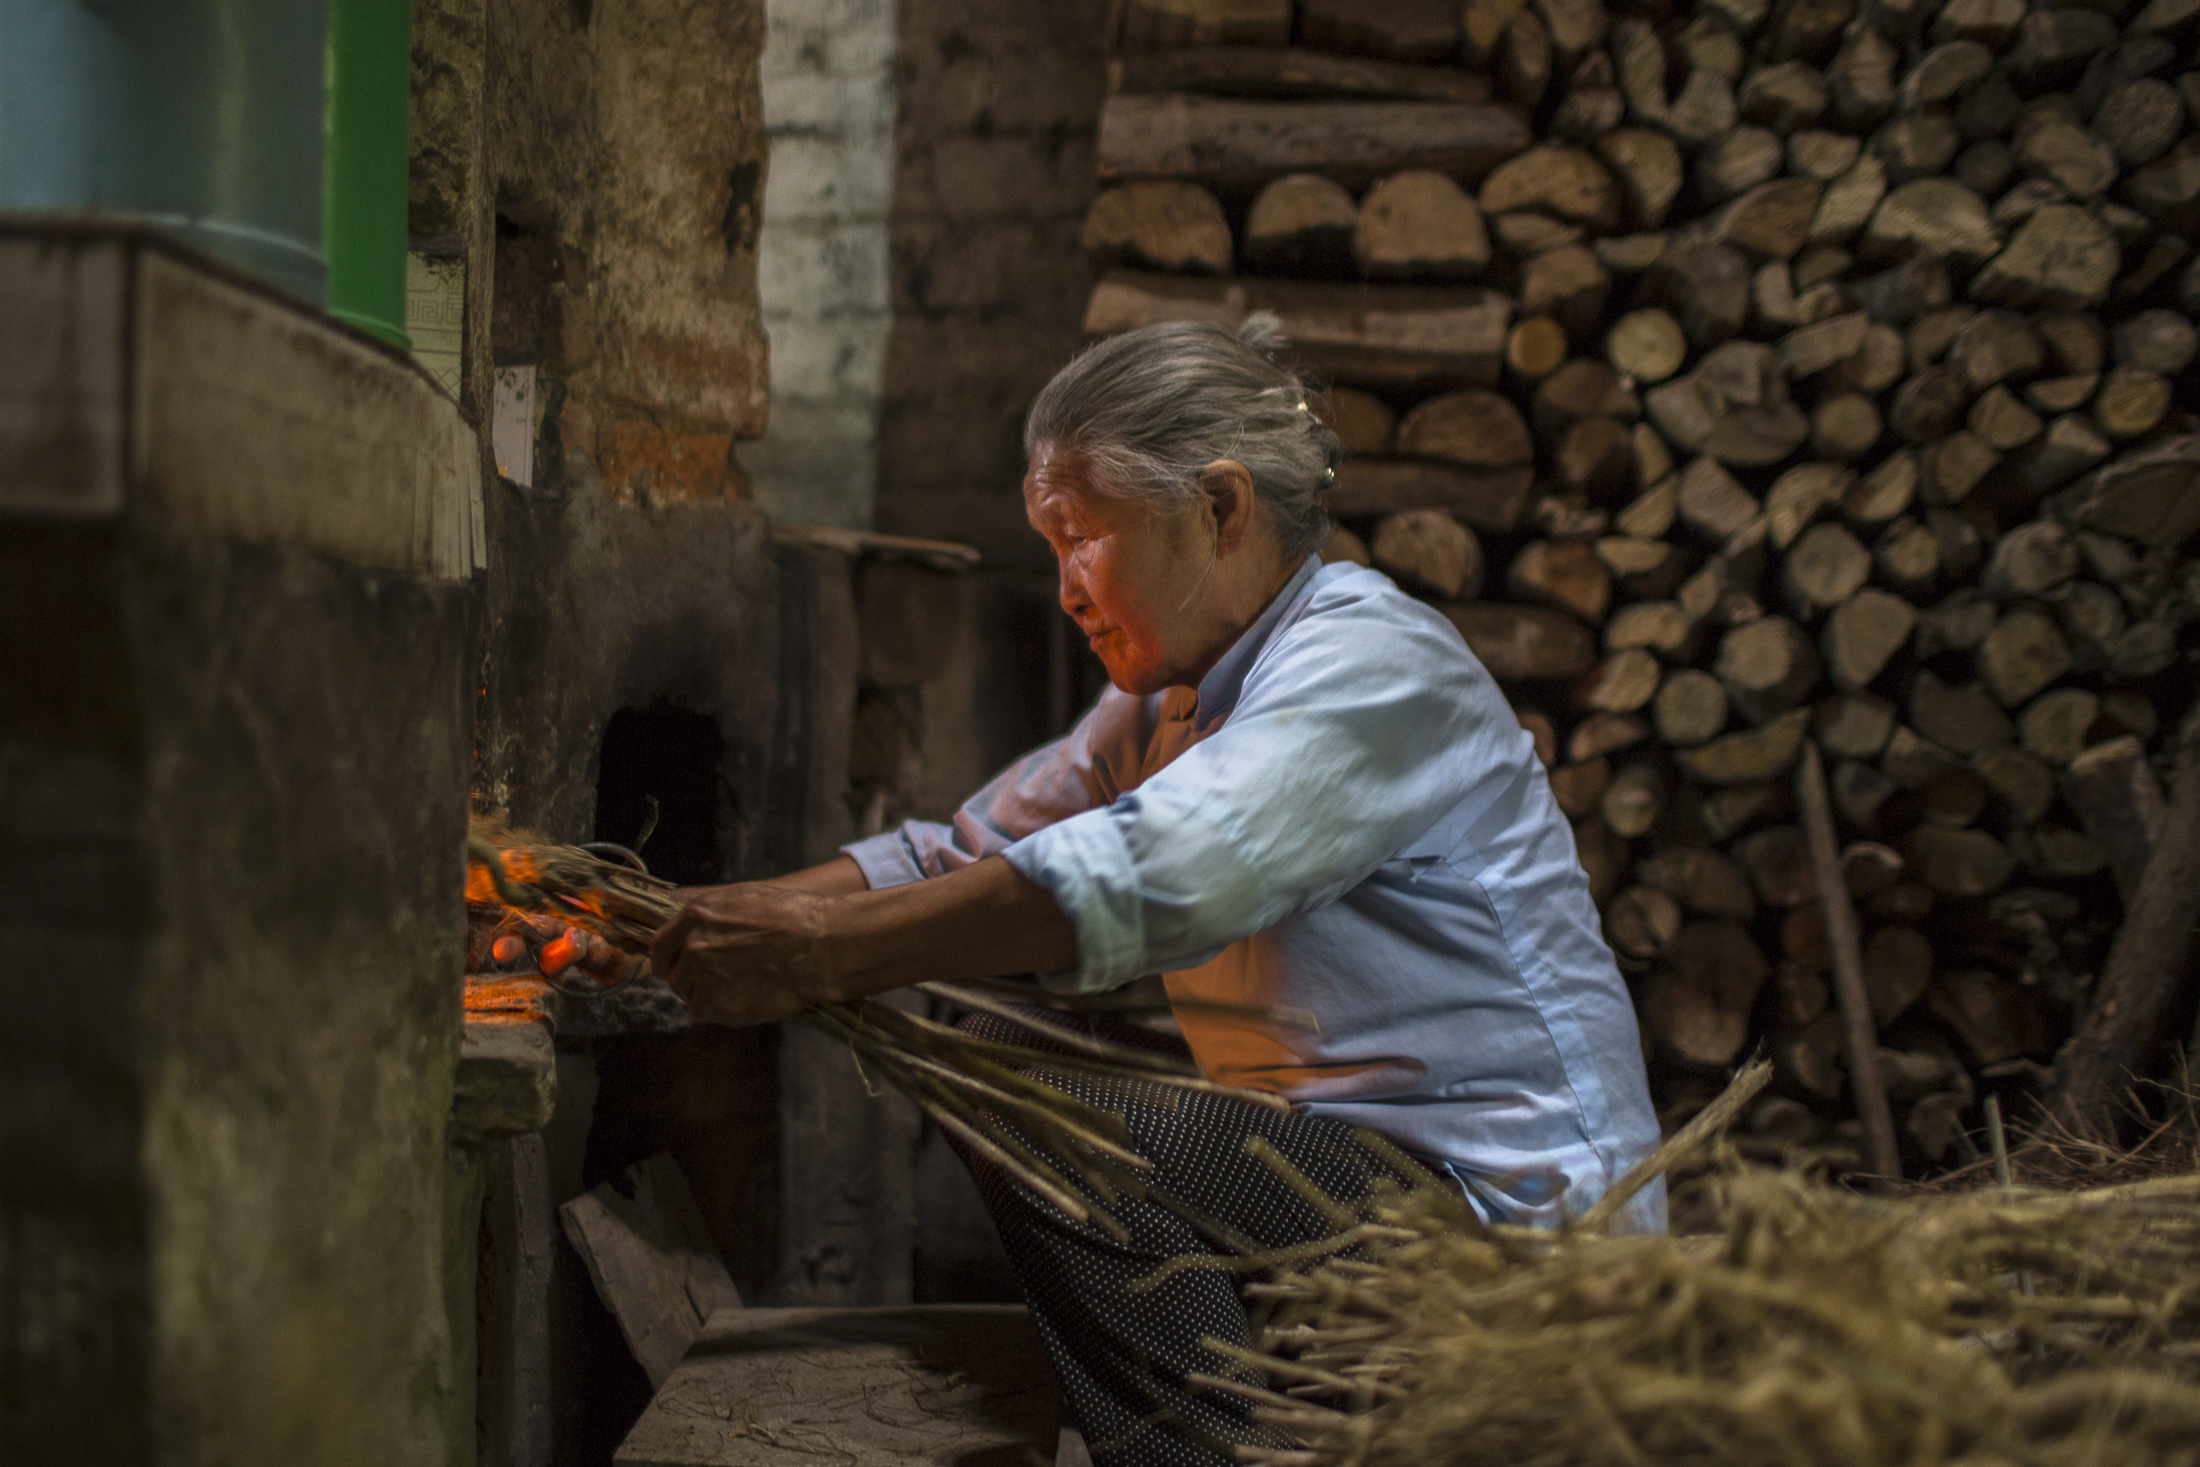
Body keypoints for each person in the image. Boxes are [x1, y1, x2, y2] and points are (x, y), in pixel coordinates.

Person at [652, 315, 1663, 1465]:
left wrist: (825, 960)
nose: (1068, 587)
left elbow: (1159, 871)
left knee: (1053, 1121)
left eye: (1081, 536)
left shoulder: (1371, 667)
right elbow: (963, 852)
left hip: (1506, 1254)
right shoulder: (1172, 699)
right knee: (994, 1035)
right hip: (1347, 1201)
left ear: (1220, 508)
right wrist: (717, 918)